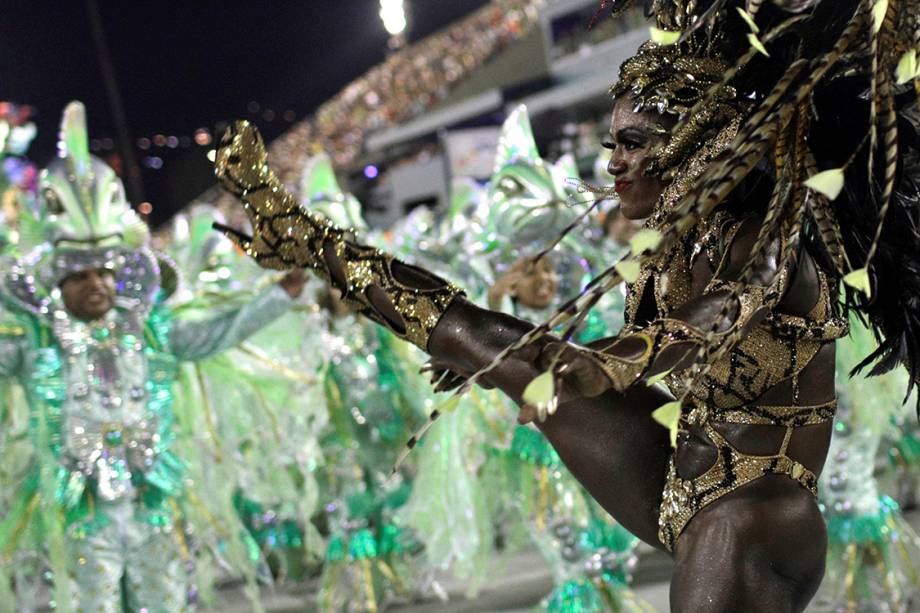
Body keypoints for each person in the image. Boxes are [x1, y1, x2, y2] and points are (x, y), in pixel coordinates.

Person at [214, 1, 920, 610]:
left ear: (698, 145)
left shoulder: (769, 242)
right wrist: (538, 362)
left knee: (525, 359)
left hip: (760, 511)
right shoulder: (670, 247)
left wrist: (610, 364)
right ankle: (299, 235)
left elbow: (709, 320)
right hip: (676, 480)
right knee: (484, 339)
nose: (613, 160)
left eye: (634, 143)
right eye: (612, 142)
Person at [0, 102, 305, 612]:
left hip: (153, 503)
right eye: (80, 276)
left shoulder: (147, 331)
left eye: (104, 273)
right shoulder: (37, 344)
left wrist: (280, 297)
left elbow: (213, 336)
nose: (96, 284)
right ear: (59, 284)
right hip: (81, 512)